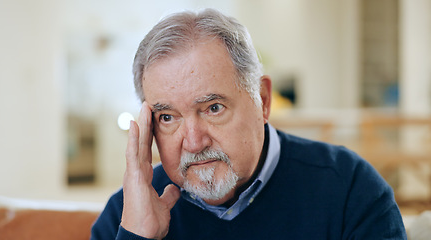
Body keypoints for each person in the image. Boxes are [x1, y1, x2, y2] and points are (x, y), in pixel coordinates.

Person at [91, 8, 407, 240]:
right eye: (168, 118)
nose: (193, 142)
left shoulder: (350, 189)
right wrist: (137, 236)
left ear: (263, 100)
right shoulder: (128, 214)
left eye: (213, 108)